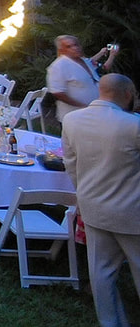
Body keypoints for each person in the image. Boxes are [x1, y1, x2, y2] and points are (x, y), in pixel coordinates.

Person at [61, 74, 140, 327]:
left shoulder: (72, 121)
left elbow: (71, 165)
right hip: (132, 212)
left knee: (101, 273)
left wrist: (84, 193)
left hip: (93, 207)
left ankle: (111, 323)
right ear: (128, 94)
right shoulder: (133, 125)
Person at [47, 34, 115, 121]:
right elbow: (58, 93)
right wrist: (82, 106)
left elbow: (101, 69)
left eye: (76, 44)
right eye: (69, 46)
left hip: (95, 113)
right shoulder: (58, 66)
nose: (75, 48)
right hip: (75, 117)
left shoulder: (85, 61)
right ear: (62, 50)